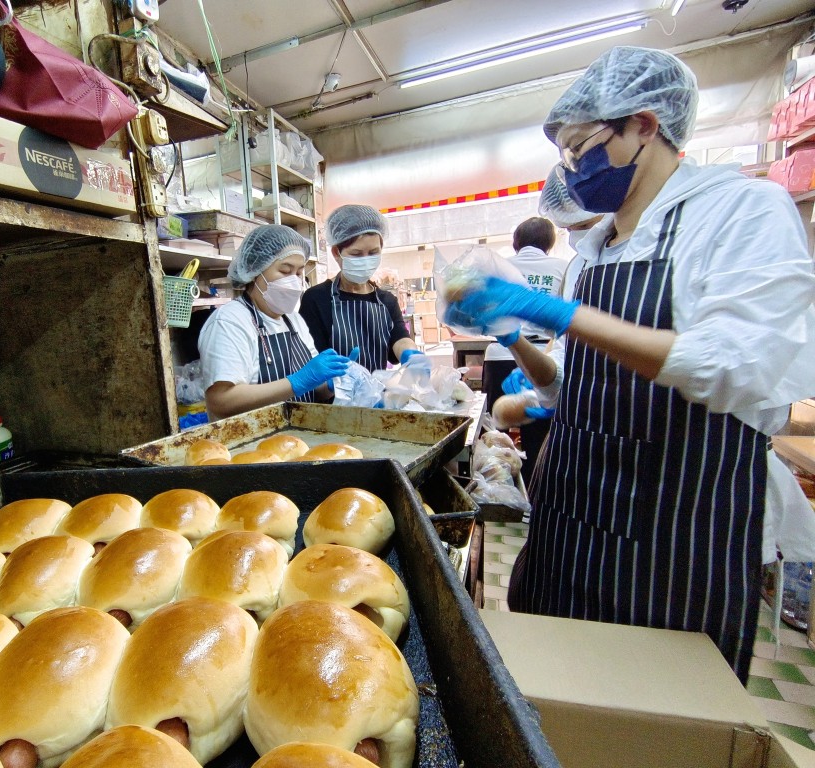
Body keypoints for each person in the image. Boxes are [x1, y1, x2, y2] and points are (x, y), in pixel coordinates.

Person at [444, 46, 815, 682]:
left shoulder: (738, 213)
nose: (574, 165)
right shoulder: (593, 250)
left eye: (580, 145)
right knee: (547, 700)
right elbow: (578, 385)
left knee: (650, 722)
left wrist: (557, 314)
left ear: (644, 124)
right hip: (568, 525)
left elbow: (734, 367)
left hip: (672, 540)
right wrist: (518, 337)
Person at [199, 224, 353, 420]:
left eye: (298, 273)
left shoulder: (295, 321)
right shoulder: (230, 321)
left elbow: (316, 389)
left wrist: (332, 382)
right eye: (285, 270)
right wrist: (296, 382)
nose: (295, 281)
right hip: (250, 443)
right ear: (255, 271)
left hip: (299, 439)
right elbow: (220, 402)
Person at [482, 216, 569, 482]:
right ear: (550, 242)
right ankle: (533, 488)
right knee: (537, 433)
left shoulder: (500, 266)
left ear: (516, 242)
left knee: (495, 432)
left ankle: (497, 491)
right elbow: (564, 328)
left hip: (500, 354)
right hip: (542, 359)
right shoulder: (563, 268)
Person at [299, 204, 426, 372]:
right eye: (356, 254)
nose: (366, 260)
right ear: (337, 252)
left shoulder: (386, 301)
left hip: (376, 394)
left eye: (373, 252)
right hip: (331, 396)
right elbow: (309, 357)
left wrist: (410, 354)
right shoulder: (316, 298)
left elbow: (399, 338)